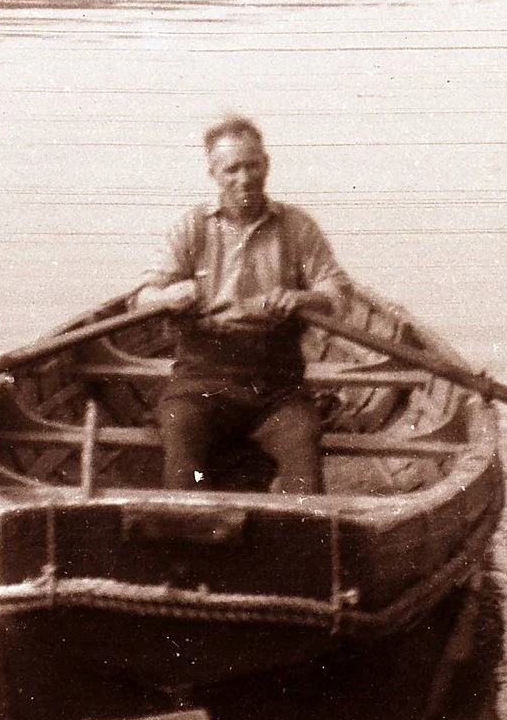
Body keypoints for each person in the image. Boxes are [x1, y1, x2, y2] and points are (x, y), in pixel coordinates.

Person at [134, 116, 351, 493]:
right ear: (214, 174)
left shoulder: (297, 228)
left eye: (252, 165)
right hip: (200, 383)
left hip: (277, 389)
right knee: (181, 443)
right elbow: (141, 301)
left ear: (266, 164)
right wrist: (169, 296)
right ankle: (183, 533)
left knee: (303, 451)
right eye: (232, 168)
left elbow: (338, 296)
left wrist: (304, 297)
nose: (244, 178)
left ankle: (302, 540)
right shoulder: (191, 227)